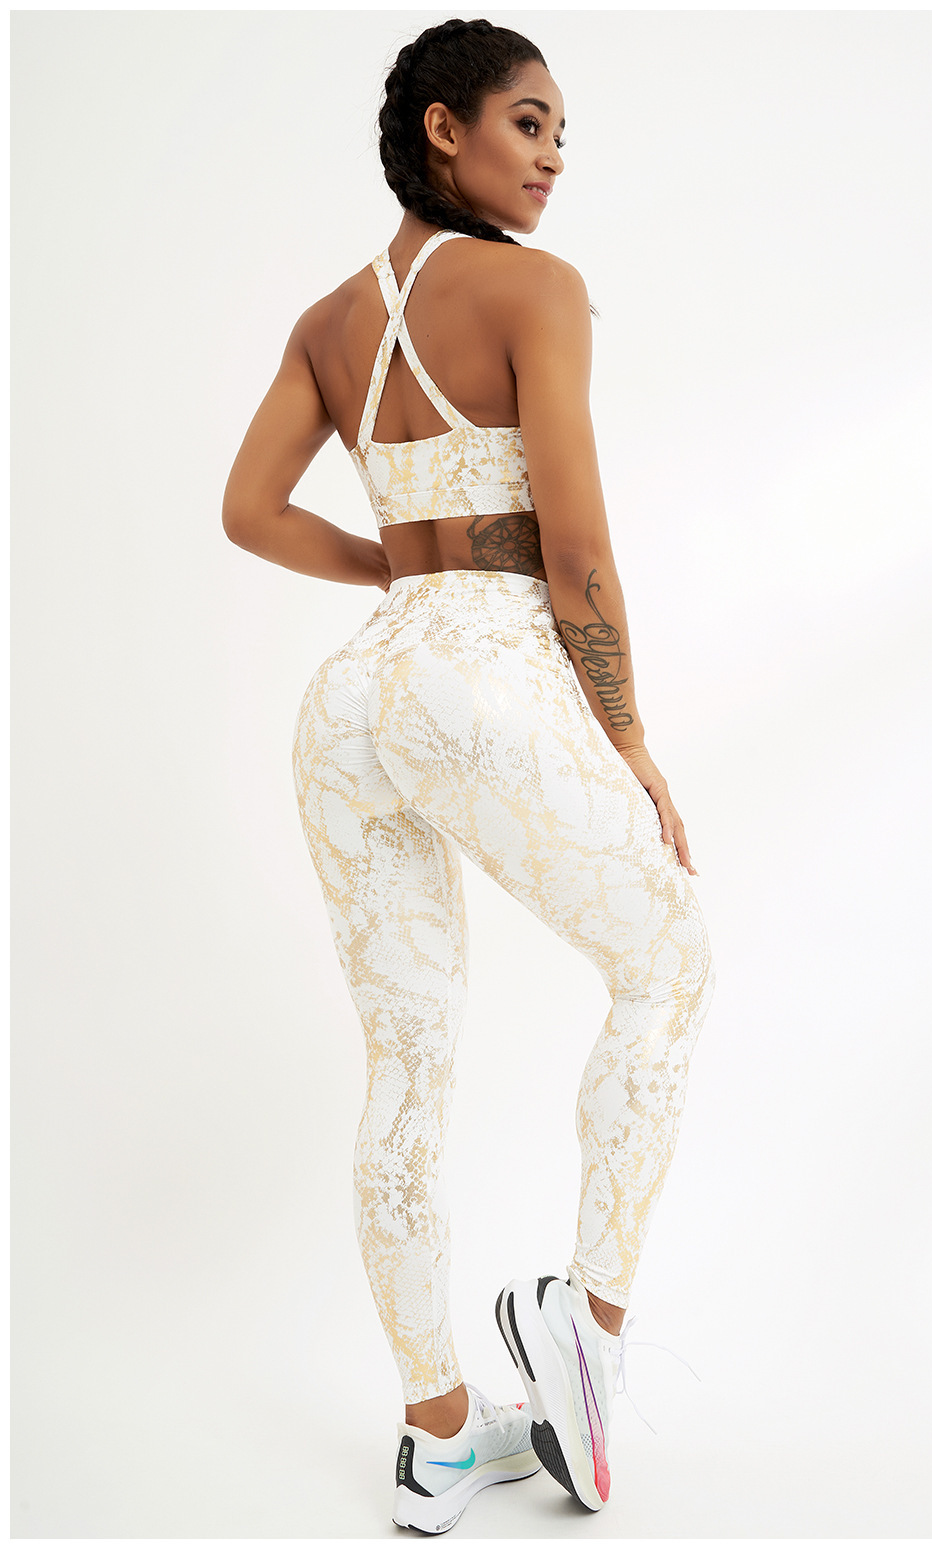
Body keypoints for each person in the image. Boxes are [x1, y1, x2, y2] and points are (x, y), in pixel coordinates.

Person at [222, 16, 716, 1534]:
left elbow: (249, 512)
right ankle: (589, 1328)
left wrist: (400, 570)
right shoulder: (534, 289)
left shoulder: (327, 322)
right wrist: (630, 742)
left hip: (354, 697)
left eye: (563, 134)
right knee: (670, 959)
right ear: (444, 128)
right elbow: (576, 548)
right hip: (482, 674)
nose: (554, 158)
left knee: (407, 1066)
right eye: (529, 122)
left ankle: (438, 1433)